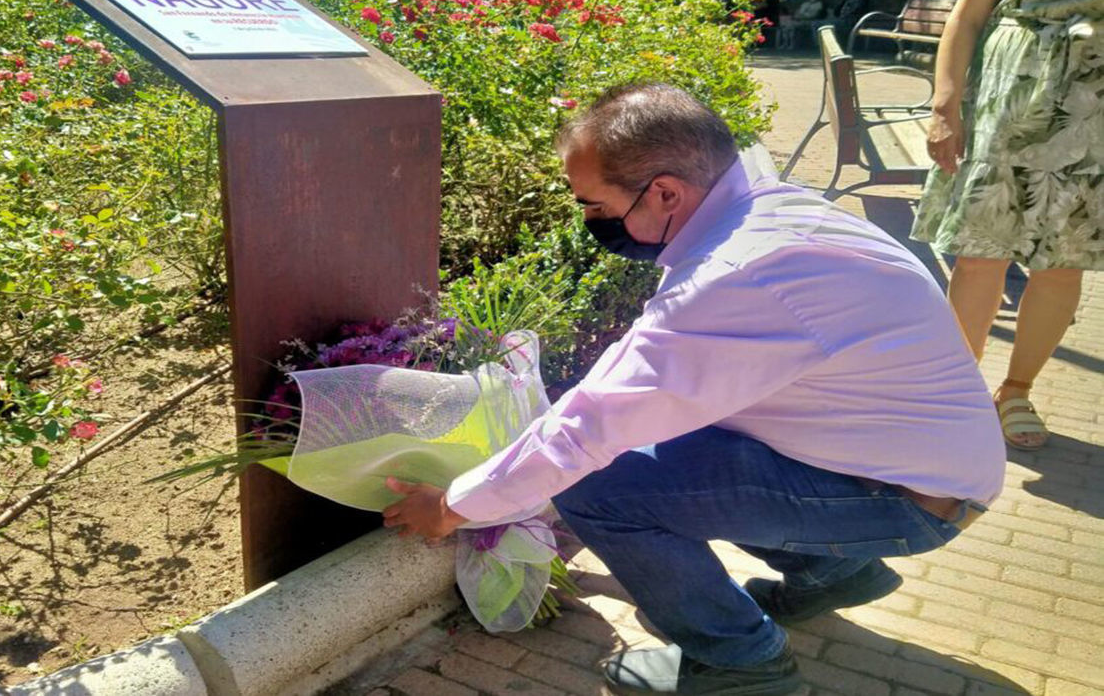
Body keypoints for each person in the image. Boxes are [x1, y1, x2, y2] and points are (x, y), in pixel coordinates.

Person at [384, 84, 1004, 695]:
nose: (591, 222)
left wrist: (451, 507)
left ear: (664, 192)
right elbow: (640, 393)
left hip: (907, 500)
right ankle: (832, 576)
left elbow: (589, 430)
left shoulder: (737, 276)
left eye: (595, 206)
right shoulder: (772, 211)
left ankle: (742, 664)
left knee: (601, 489)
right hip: (907, 472)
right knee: (672, 446)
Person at [914, 0, 1103, 450]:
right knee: (980, 254)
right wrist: (944, 105)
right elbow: (967, 16)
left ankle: (1016, 391)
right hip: (1009, 97)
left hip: (1093, 110)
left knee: (1063, 264)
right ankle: (954, 392)